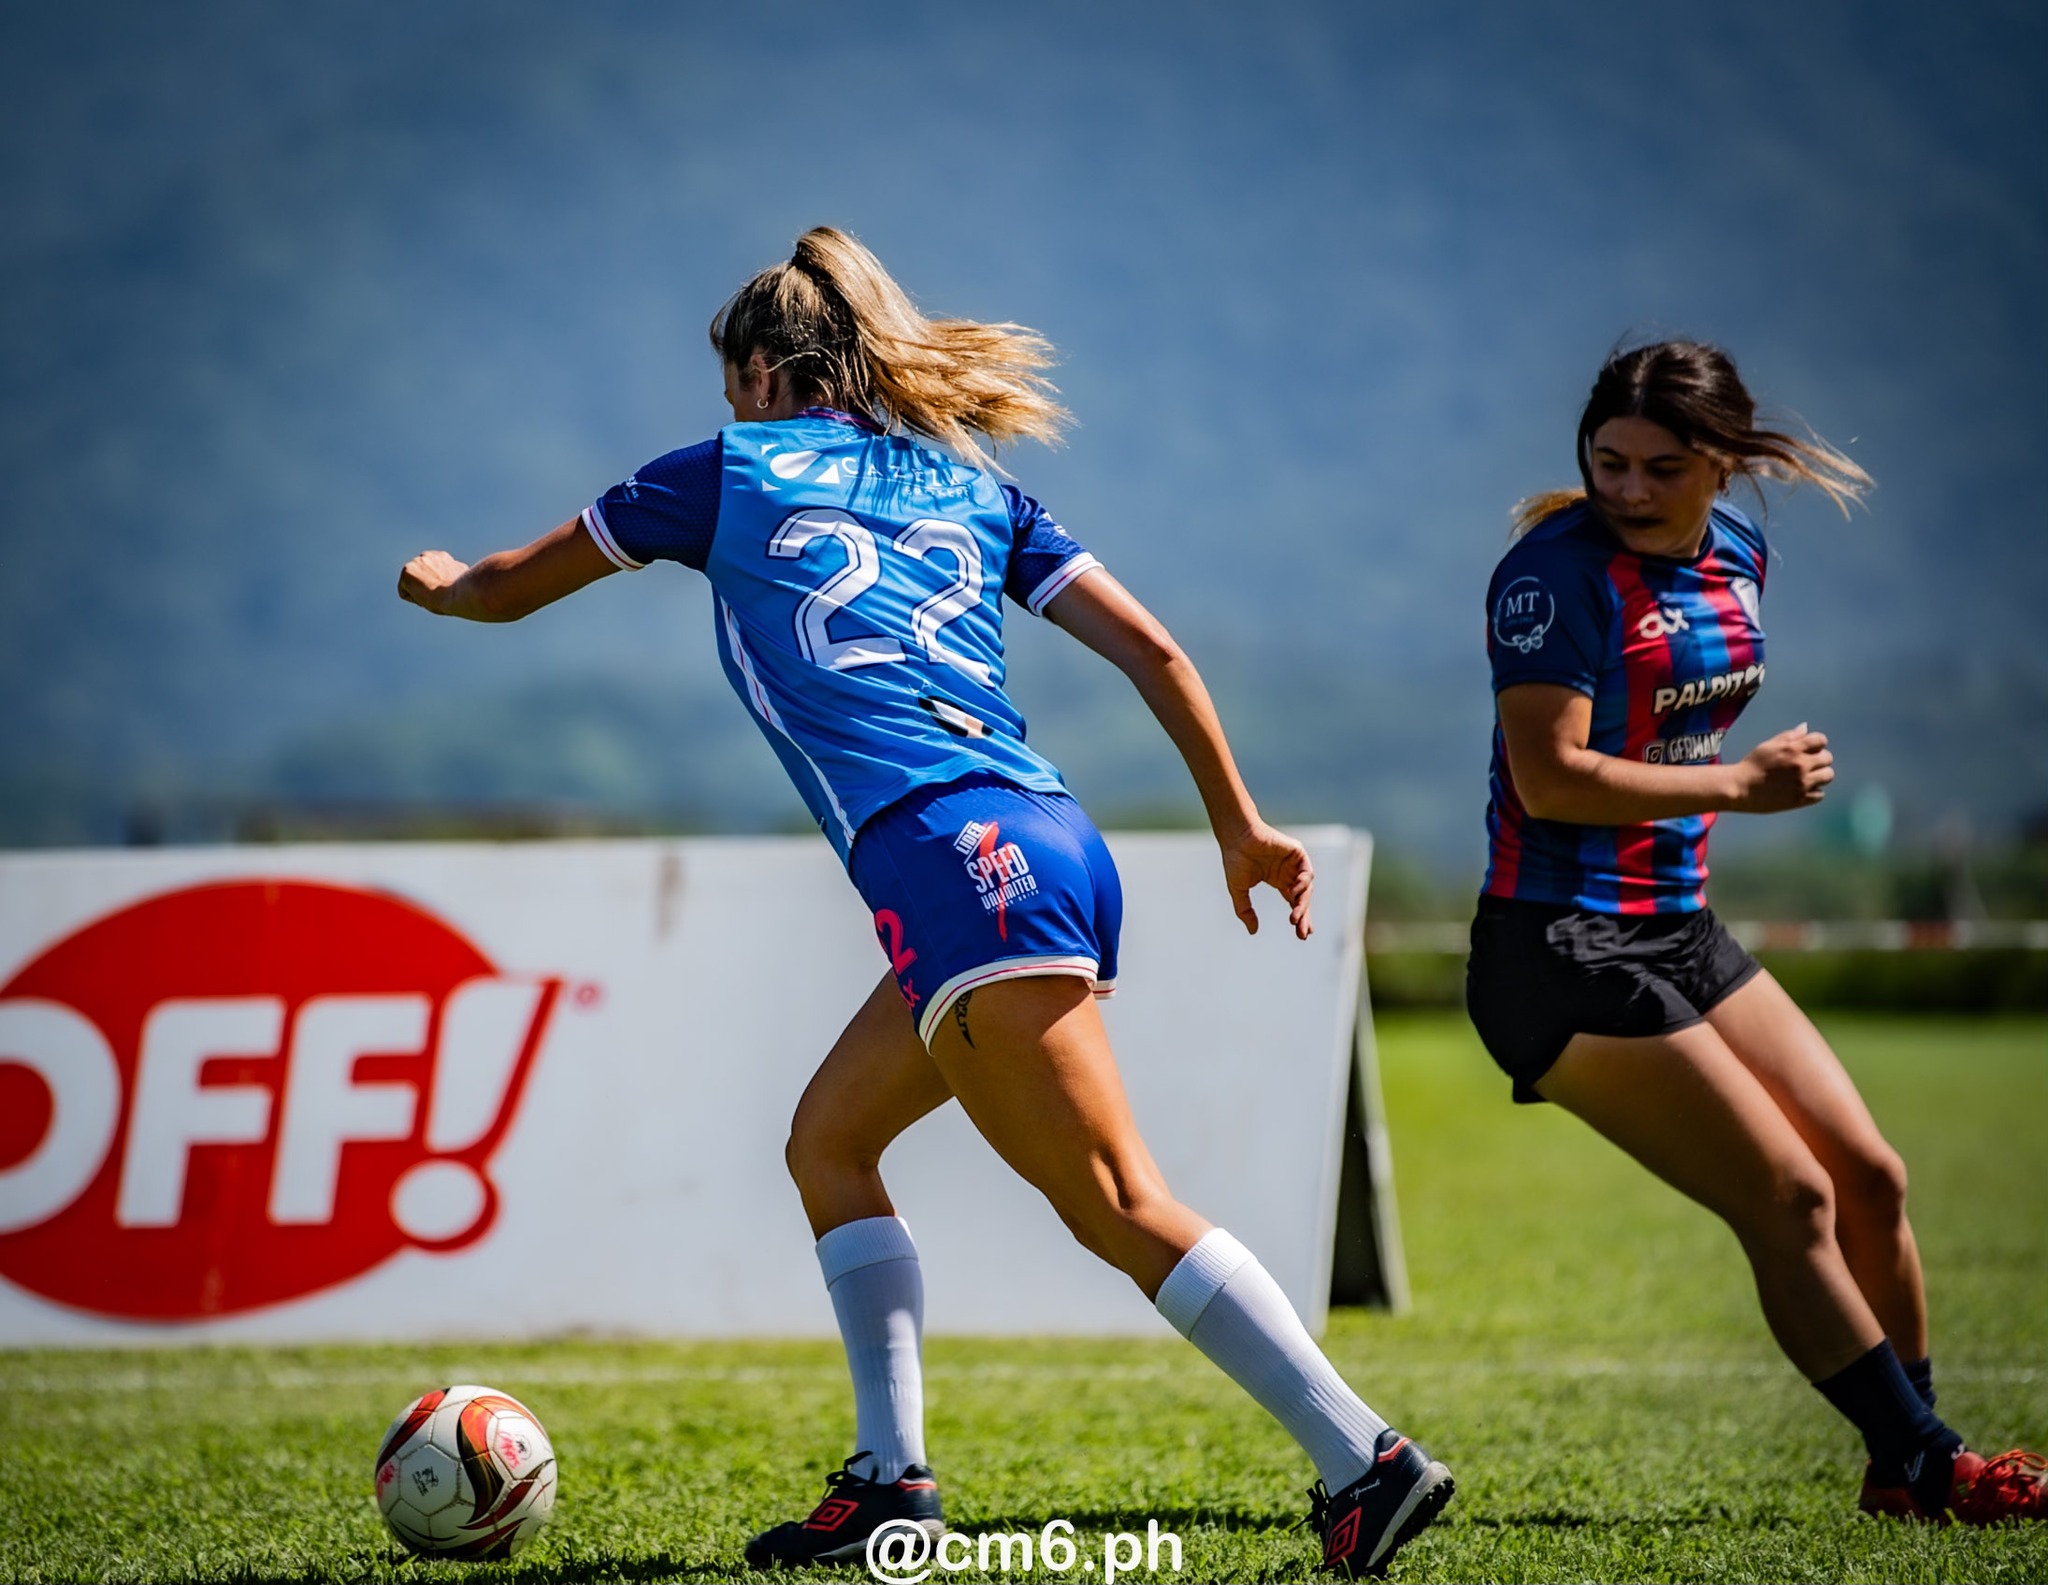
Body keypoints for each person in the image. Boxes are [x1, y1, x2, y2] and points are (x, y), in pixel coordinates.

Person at [399, 227, 1453, 1578]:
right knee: (829, 1142)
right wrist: (1239, 824)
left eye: (735, 386)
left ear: (770, 370)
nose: (733, 411)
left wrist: (438, 585)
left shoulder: (723, 471)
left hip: (952, 862)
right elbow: (1157, 645)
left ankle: (1363, 1459)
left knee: (1119, 1201)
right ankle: (892, 1483)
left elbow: (501, 588)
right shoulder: (968, 480)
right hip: (1050, 841)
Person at [1467, 338, 2046, 1526]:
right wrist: (1738, 785)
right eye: (1606, 461)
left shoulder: (1738, 553)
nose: (1625, 489)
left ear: (1721, 465)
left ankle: (1902, 1461)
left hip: (1675, 926)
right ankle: (1935, 1462)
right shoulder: (1550, 577)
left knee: (1870, 1179)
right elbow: (1549, 780)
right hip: (1554, 948)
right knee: (1787, 1199)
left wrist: (1727, 784)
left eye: (1658, 468)